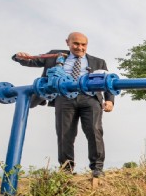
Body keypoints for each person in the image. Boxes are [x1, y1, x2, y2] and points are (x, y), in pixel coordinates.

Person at [12, 32, 114, 178]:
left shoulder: (98, 62)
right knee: (64, 134)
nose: (80, 47)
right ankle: (66, 170)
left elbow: (106, 81)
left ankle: (97, 168)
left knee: (94, 131)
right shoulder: (55, 55)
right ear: (68, 42)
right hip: (64, 98)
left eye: (83, 44)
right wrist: (19, 57)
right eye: (76, 44)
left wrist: (109, 100)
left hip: (90, 99)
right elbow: (33, 61)